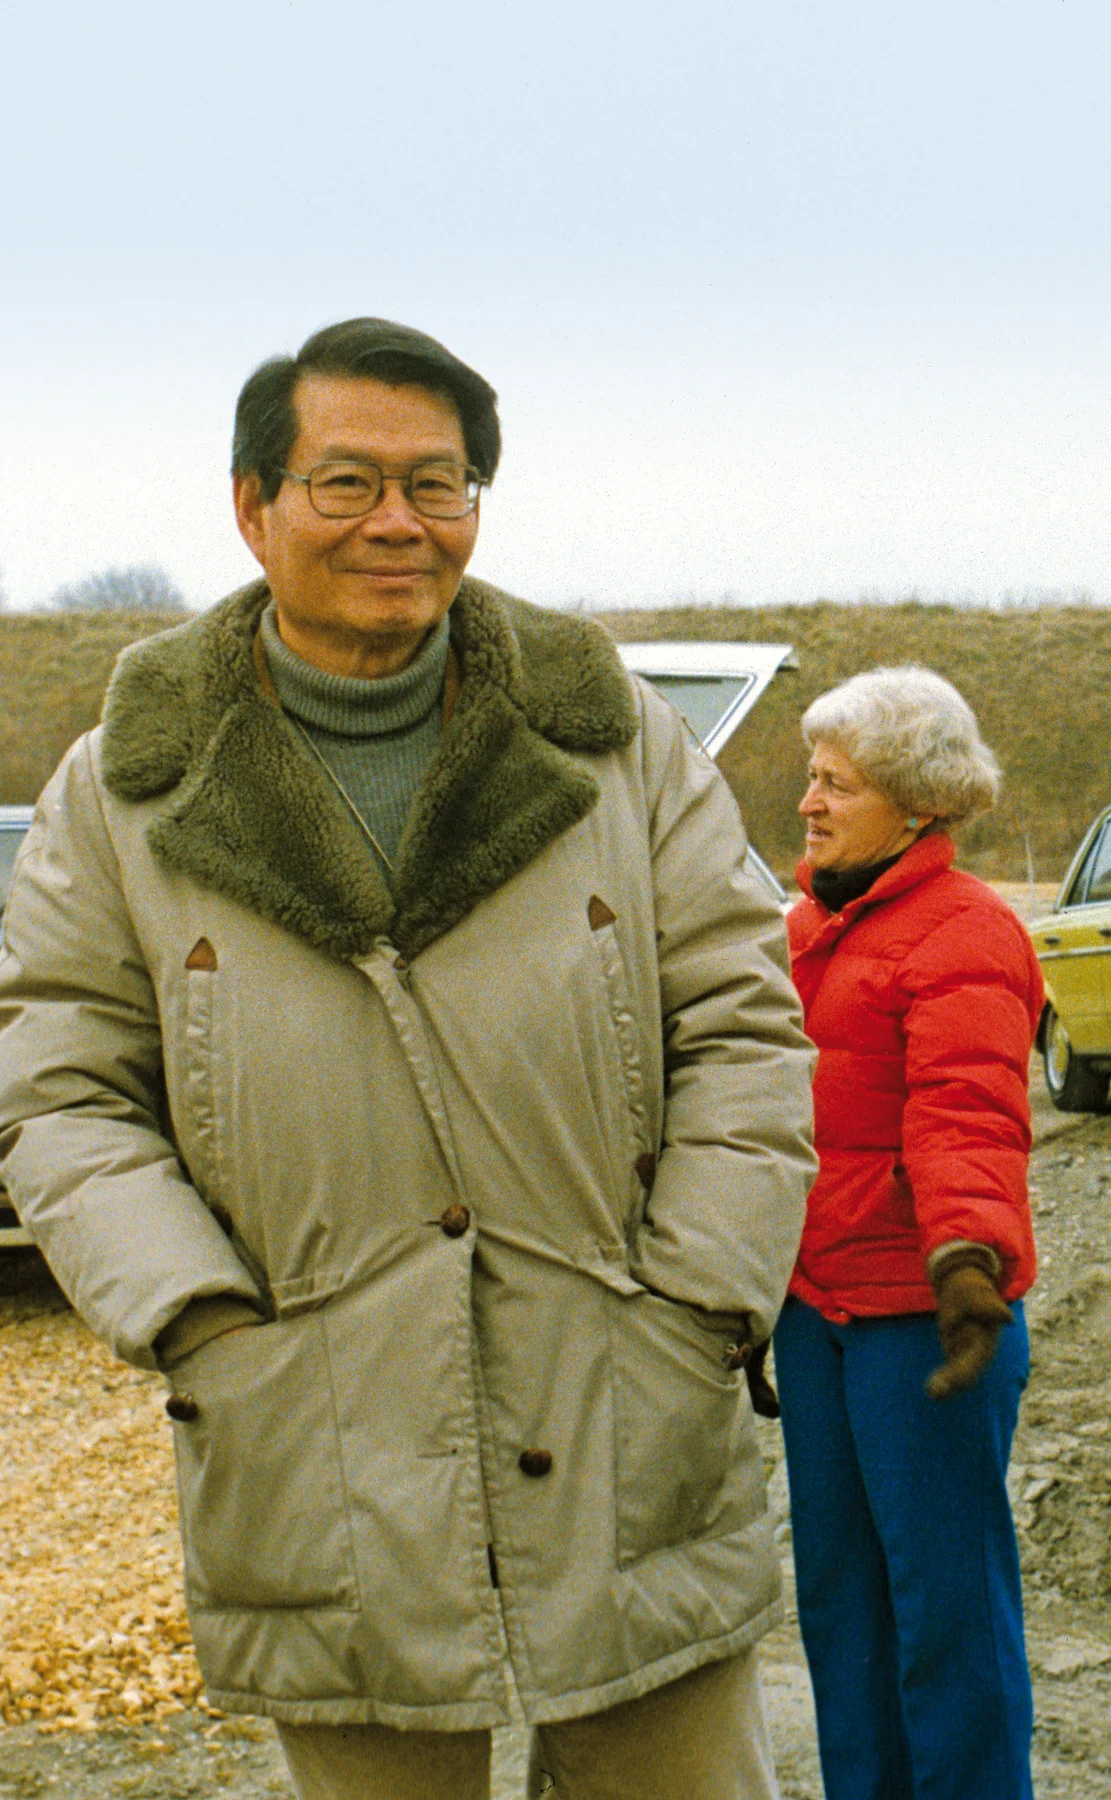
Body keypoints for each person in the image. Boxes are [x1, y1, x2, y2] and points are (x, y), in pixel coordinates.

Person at [0, 318, 816, 1800]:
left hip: (623, 1414)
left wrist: (697, 1300)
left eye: (437, 484)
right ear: (252, 506)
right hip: (309, 1441)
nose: (398, 522)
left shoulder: (611, 744)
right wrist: (200, 1323)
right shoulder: (125, 788)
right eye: (347, 482)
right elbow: (59, 1091)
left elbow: (742, 1025)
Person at [770, 665, 1043, 1800]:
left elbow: (966, 1113)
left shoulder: (968, 933)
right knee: (841, 1609)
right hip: (815, 1316)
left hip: (929, 1323)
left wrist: (967, 1259)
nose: (808, 802)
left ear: (917, 804)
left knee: (945, 1611)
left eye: (837, 783)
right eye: (811, 777)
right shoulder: (802, 931)